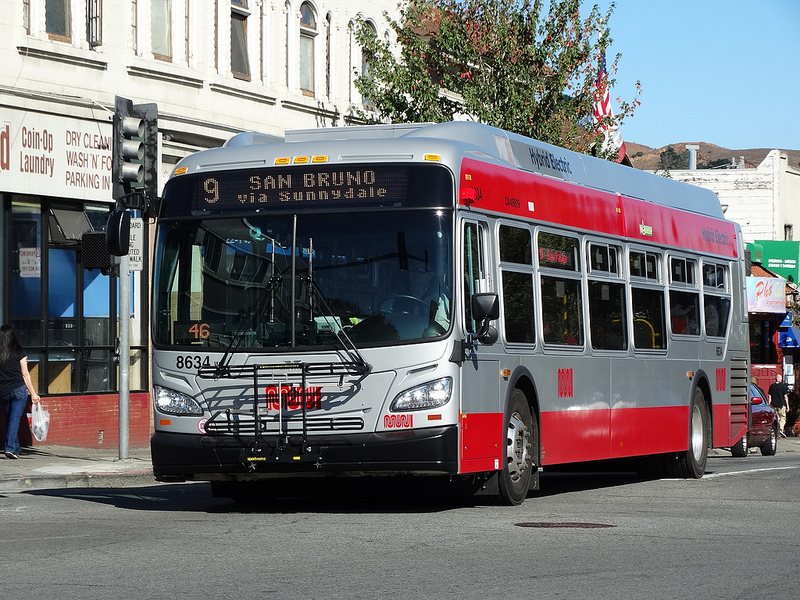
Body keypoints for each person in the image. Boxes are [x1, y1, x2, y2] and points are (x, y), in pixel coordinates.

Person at [0, 325, 41, 459]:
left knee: (10, 420)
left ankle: (15, 449)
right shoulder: (19, 351)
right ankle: (10, 448)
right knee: (14, 420)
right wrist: (33, 393)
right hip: (18, 390)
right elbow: (25, 374)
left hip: (4, 392)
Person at [767, 373, 789, 438]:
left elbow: (769, 396)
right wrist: (787, 406)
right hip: (781, 404)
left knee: (776, 418)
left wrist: (769, 404)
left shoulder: (772, 386)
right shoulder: (783, 386)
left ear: (775, 379)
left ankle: (777, 430)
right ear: (780, 379)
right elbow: (785, 397)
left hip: (774, 404)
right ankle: (781, 429)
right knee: (782, 418)